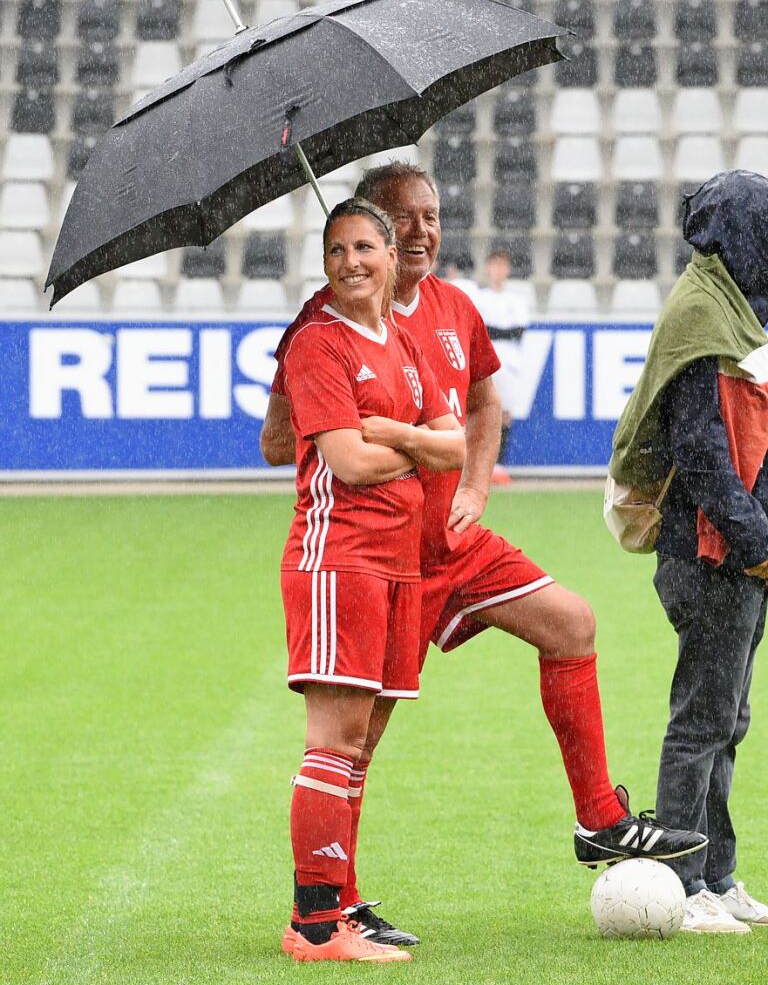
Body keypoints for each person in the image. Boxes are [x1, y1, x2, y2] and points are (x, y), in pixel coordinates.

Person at [263, 162, 707, 947]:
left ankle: (599, 819)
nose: (423, 232)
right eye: (404, 219)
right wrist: (308, 393)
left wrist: (469, 485)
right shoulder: (319, 328)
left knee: (571, 622)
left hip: (453, 543)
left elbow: (479, 405)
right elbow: (281, 445)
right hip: (377, 553)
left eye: (431, 216)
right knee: (354, 741)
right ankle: (336, 904)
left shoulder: (446, 310)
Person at [279, 197, 464, 963]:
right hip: (338, 558)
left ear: (392, 257)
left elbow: (455, 446)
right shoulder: (316, 346)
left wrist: (401, 435)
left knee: (364, 740)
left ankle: (342, 904)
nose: (349, 262)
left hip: (398, 565)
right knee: (336, 737)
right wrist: (416, 445)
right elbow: (348, 463)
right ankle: (315, 924)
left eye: (362, 247)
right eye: (335, 250)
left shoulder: (401, 342)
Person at [609, 170, 768, 934]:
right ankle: (681, 883)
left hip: (732, 551)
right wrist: (756, 541)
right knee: (702, 720)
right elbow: (702, 450)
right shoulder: (706, 315)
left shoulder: (730, 307)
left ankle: (716, 874)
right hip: (709, 552)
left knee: (725, 717)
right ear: (741, 232)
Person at [473, 249, 532, 483]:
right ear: (489, 268)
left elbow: (518, 330)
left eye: (502, 266)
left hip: (509, 363)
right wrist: (497, 331)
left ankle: (499, 464)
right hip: (484, 360)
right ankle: (480, 464)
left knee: (505, 413)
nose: (498, 271)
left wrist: (493, 330)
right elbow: (480, 329)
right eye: (494, 265)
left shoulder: (516, 300)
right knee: (481, 411)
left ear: (507, 269)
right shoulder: (480, 298)